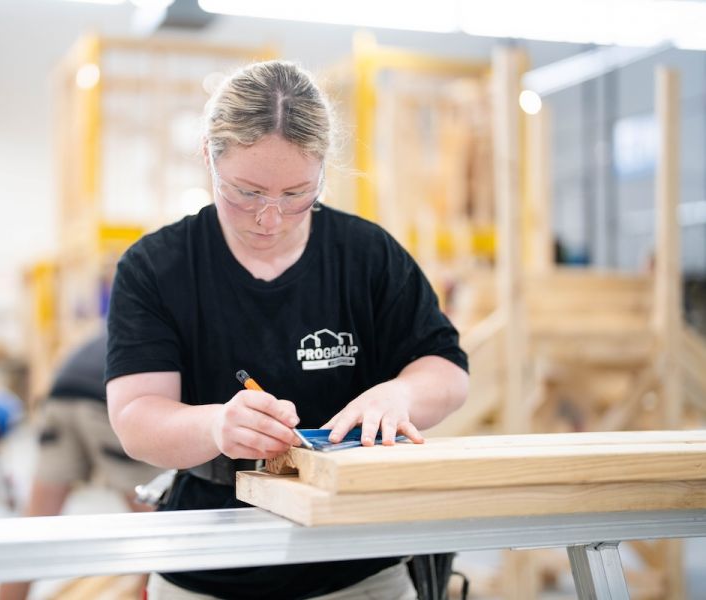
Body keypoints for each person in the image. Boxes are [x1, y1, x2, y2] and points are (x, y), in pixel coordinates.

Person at [105, 60, 469, 600]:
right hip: (206, 566)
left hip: (358, 562)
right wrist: (216, 427)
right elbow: (136, 419)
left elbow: (447, 370)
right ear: (209, 156)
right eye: (247, 192)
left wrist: (401, 393)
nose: (269, 218)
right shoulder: (157, 267)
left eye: (298, 193)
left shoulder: (366, 255)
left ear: (324, 170)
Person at [0, 328, 162, 600]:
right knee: (155, 529)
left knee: (34, 528)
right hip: (104, 400)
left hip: (60, 397)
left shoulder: (131, 319)